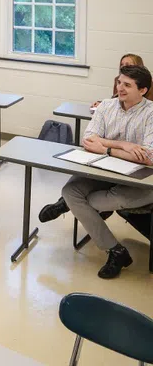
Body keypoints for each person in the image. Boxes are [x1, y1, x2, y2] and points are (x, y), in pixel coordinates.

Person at [39, 65, 153, 279]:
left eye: (127, 85)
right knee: (71, 191)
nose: (120, 88)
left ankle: (69, 206)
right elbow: (89, 140)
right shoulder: (106, 106)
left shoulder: (151, 113)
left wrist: (107, 148)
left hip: (142, 181)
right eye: (119, 82)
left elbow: (148, 157)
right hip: (104, 171)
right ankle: (115, 251)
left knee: (88, 201)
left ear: (143, 90)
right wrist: (125, 146)